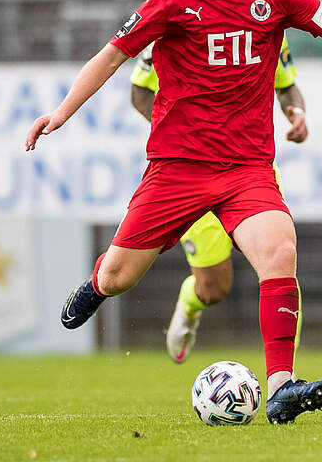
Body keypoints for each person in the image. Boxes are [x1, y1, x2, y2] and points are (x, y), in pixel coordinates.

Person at [25, 0, 322, 424]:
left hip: (246, 170)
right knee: (122, 277)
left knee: (280, 248)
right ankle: (97, 284)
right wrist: (60, 113)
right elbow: (110, 58)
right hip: (178, 170)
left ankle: (282, 386)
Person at [129, 31, 308, 363]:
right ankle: (191, 299)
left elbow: (285, 86)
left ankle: (285, 380)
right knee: (214, 288)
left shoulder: (266, 20)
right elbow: (139, 92)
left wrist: (296, 113)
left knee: (280, 261)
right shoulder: (180, 25)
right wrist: (184, 134)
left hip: (250, 171)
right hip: (190, 174)